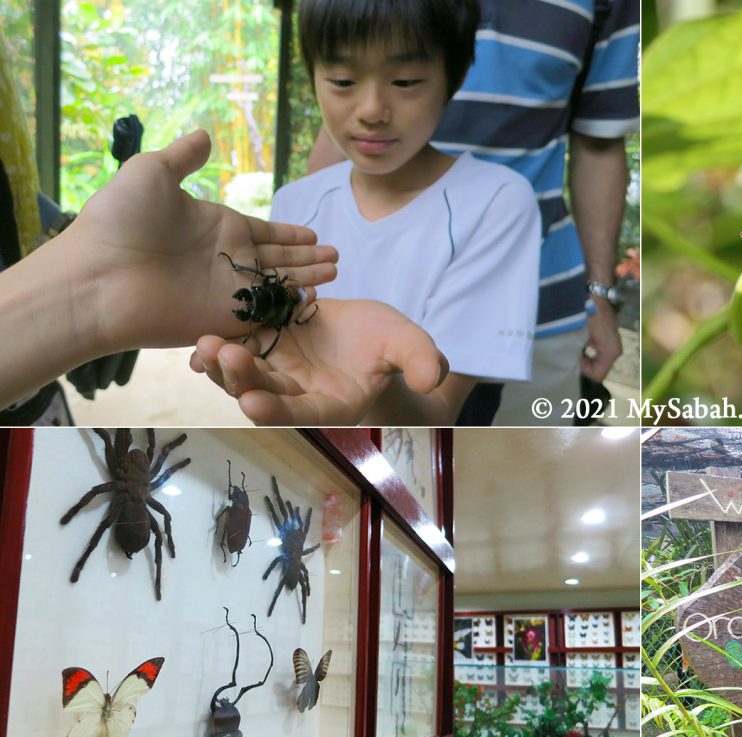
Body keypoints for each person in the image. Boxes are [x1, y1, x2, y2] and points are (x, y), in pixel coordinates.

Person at [198, 0, 540, 426]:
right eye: (343, 80)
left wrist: (374, 377)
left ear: (453, 78)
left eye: (405, 80)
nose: (372, 110)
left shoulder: (498, 201)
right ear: (314, 78)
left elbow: (438, 410)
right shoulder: (294, 202)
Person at [307, 0, 640, 425]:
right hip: (372, 295)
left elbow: (599, 140)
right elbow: (342, 127)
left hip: (539, 312)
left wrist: (599, 292)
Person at [0, 130, 453, 413]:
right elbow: (268, 297)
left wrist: (85, 289)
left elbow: (276, 302)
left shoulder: (277, 293)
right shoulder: (270, 286)